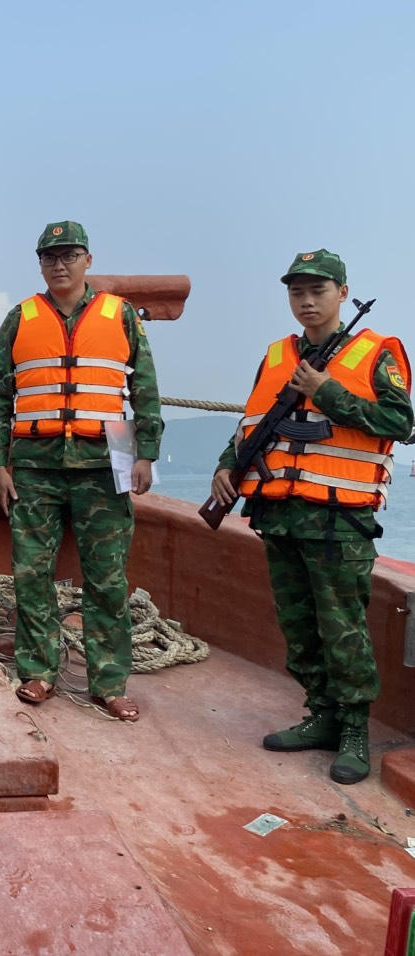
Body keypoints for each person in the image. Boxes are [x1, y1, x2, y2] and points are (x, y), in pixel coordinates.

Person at [210, 249, 412, 784]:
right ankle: (320, 716)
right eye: (297, 292)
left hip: (339, 521)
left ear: (342, 294)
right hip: (279, 513)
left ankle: (352, 732)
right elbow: (252, 422)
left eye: (317, 291)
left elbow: (400, 421)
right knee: (298, 627)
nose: (306, 301)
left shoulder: (377, 352)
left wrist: (329, 393)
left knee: (343, 629)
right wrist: (227, 465)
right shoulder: (277, 354)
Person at [0, 221, 162, 722]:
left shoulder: (120, 315)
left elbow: (144, 388)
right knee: (31, 573)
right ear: (40, 264)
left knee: (107, 578)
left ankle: (109, 681)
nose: (59, 264)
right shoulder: (20, 318)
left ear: (88, 259)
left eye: (69, 255)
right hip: (36, 468)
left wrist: (145, 452)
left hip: (105, 466)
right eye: (50, 257)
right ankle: (38, 669)